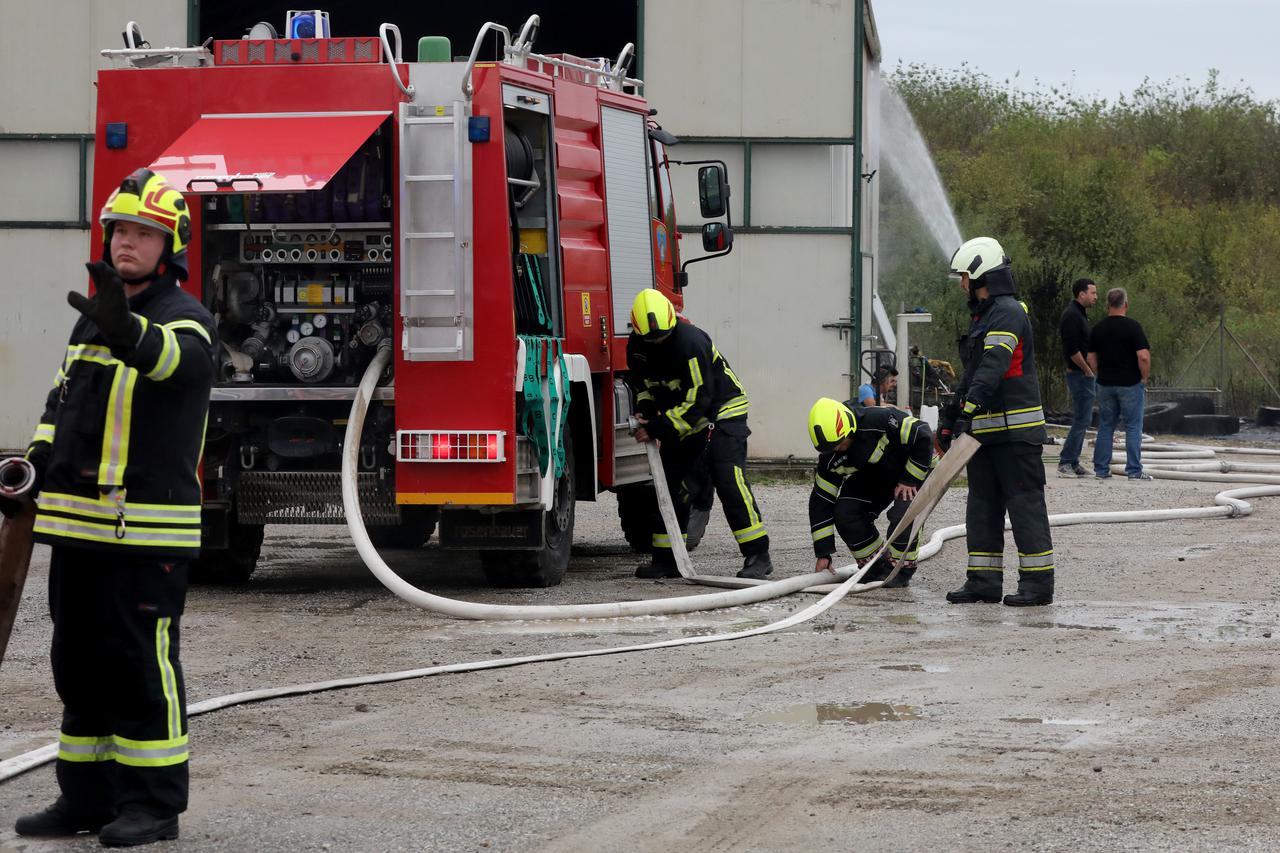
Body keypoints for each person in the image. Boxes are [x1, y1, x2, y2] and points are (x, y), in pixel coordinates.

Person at [9, 169, 216, 846]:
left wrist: (125, 329)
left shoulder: (187, 320)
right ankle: (86, 800)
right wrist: (33, 463)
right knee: (78, 665)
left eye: (144, 233)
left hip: (145, 534)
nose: (127, 242)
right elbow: (59, 403)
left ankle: (154, 804)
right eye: (121, 230)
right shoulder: (90, 317)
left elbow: (169, 365)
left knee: (140, 667)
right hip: (77, 530)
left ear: (170, 247)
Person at [937, 237, 1055, 607]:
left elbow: (993, 366)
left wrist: (968, 412)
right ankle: (983, 581)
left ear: (979, 274)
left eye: (964, 278)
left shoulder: (1007, 312)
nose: (961, 285)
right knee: (981, 507)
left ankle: (1037, 585)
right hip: (986, 437)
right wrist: (952, 413)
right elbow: (973, 372)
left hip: (1016, 434)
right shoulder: (983, 317)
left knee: (1024, 506)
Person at [626, 288, 772, 580]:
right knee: (669, 484)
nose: (657, 343)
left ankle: (758, 556)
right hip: (684, 417)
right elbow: (641, 384)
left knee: (727, 477)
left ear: (673, 322)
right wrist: (645, 408)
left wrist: (657, 427)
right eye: (650, 339)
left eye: (662, 336)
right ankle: (668, 558)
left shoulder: (691, 342)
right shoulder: (637, 346)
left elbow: (699, 399)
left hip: (721, 410)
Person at [807, 397, 934, 588]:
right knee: (846, 513)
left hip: (913, 469)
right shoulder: (830, 457)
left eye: (840, 444)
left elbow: (923, 435)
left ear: (849, 428)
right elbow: (821, 501)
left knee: (903, 515)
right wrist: (823, 553)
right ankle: (875, 565)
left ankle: (901, 568)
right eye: (832, 448)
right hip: (877, 475)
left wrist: (909, 479)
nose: (837, 450)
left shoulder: (879, 419)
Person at [1088, 287, 1153, 481]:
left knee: (1106, 426)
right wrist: (1144, 377)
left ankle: (1101, 469)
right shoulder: (1133, 327)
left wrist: (1099, 373)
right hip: (1130, 384)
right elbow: (1143, 356)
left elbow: (1091, 357)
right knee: (1133, 427)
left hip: (1105, 384)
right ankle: (1134, 470)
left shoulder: (1098, 328)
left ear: (1108, 305)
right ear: (1126, 304)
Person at [1057, 277, 1098, 477]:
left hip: (1084, 374)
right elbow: (1072, 350)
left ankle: (1074, 462)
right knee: (1081, 419)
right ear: (1081, 294)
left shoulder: (1080, 314)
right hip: (1079, 375)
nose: (1095, 297)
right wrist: (1087, 370)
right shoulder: (1071, 315)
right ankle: (1065, 461)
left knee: (1084, 419)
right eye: (1092, 293)